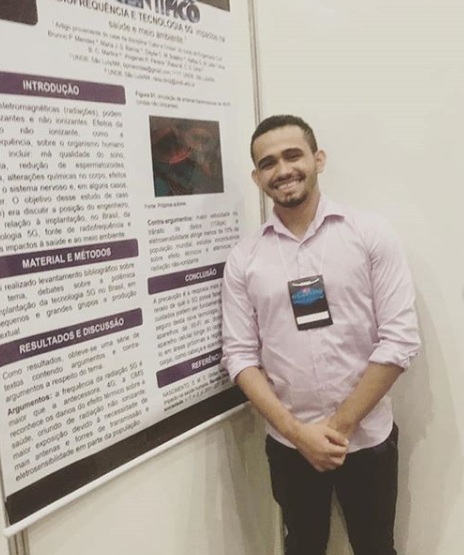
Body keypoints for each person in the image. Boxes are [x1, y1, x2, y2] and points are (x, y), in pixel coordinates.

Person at [221, 115, 420, 555]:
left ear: (318, 159)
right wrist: (297, 433)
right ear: (257, 177)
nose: (283, 170)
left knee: (376, 548)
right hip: (289, 445)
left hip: (366, 440)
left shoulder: (369, 234)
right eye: (268, 163)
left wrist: (338, 427)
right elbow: (239, 355)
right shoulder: (245, 258)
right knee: (302, 547)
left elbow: (401, 339)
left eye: (293, 155)